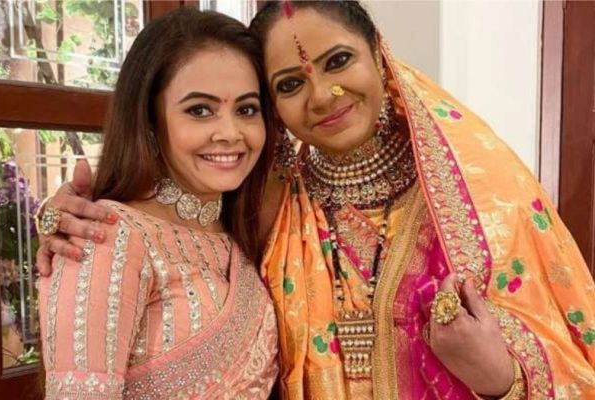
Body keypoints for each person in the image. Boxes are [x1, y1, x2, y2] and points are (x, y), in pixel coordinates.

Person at [37, 1, 595, 399]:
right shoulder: (271, 201)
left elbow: (573, 354)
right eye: (289, 84)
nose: (323, 95)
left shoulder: (481, 198)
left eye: (338, 61)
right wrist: (74, 216)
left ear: (379, 56)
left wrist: (501, 379)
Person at [36, 8, 278, 399]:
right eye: (200, 110)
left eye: (246, 110)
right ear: (149, 121)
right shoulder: (105, 235)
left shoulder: (241, 230)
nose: (230, 132)